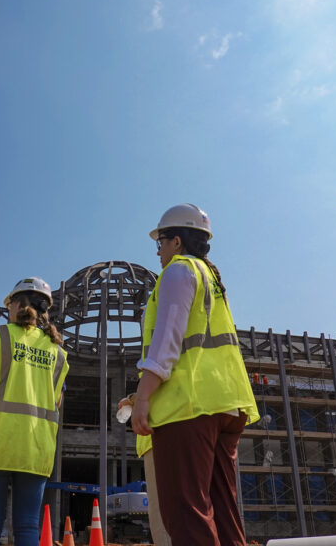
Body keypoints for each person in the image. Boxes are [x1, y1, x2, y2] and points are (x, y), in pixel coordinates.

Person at [130, 204, 260, 546]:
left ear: (175, 241)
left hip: (187, 406)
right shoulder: (212, 279)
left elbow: (167, 342)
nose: (158, 252)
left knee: (186, 514)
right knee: (223, 511)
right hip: (226, 404)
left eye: (160, 244)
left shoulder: (177, 272)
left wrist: (143, 396)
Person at [0, 277, 69, 546]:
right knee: (27, 526)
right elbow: (57, 401)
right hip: (35, 448)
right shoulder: (57, 351)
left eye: (9, 304)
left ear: (16, 304)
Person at [116, 394, 171, 546]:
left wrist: (133, 399)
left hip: (159, 436)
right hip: (183, 432)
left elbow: (159, 376)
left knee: (161, 513)